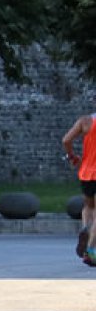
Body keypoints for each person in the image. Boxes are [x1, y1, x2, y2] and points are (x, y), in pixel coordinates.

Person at [62, 109, 96, 266]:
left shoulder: (85, 121)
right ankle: (91, 251)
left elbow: (66, 140)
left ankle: (85, 228)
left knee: (89, 206)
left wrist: (72, 156)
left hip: (86, 173)